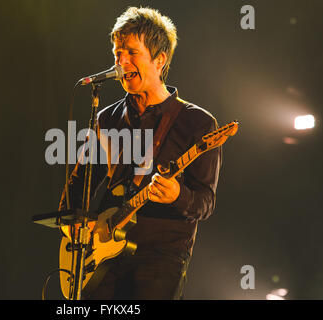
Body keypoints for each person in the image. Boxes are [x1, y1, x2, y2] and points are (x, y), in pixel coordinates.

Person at [59, 6, 222, 300]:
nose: (121, 61)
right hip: (103, 254)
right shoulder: (106, 119)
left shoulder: (198, 123)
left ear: (159, 61)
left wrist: (177, 195)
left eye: (131, 52)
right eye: (117, 52)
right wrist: (73, 223)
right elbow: (81, 180)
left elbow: (205, 203)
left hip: (161, 256)